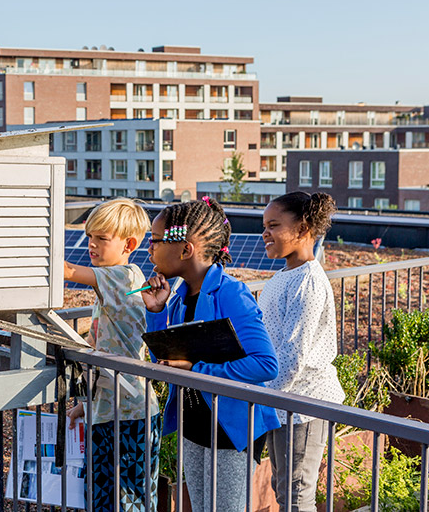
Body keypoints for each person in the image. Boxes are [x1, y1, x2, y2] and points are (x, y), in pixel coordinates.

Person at [141, 197, 280, 512]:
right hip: (194, 423)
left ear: (186, 249)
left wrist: (196, 369)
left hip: (229, 428)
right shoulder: (177, 298)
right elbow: (164, 362)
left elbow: (265, 364)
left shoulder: (231, 293)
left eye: (156, 240)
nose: (149, 248)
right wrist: (156, 312)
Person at [64, 197, 161, 512]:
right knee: (105, 496)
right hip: (111, 407)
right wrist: (83, 405)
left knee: (128, 499)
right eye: (90, 237)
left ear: (129, 244)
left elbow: (66, 270)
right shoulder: (118, 282)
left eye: (101, 239)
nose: (91, 245)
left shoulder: (123, 276)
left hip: (129, 411)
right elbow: (106, 346)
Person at [258, 191, 344, 512]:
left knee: (296, 494)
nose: (265, 233)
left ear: (303, 229)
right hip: (281, 402)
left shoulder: (307, 281)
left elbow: (292, 358)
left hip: (303, 404)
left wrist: (261, 400)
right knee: (284, 488)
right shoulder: (283, 276)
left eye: (273, 225)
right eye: (264, 226)